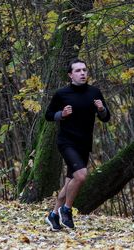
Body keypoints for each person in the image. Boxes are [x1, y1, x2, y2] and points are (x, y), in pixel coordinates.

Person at [44, 58, 110, 231]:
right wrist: (62, 114)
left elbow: (106, 117)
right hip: (67, 142)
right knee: (80, 176)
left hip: (84, 144)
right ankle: (66, 210)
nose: (82, 73)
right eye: (78, 71)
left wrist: (102, 109)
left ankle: (53, 215)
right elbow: (48, 115)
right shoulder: (62, 93)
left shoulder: (94, 92)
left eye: (84, 70)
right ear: (70, 75)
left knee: (69, 184)